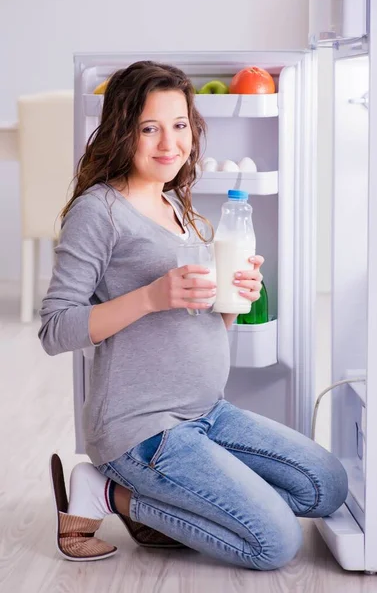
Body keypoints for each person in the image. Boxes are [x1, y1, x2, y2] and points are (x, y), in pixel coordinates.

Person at [39, 60, 348, 569]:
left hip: (207, 412)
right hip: (141, 429)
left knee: (326, 485)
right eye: (149, 128)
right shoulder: (98, 212)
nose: (169, 143)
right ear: (122, 131)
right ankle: (109, 495)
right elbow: (55, 330)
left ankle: (170, 503)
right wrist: (150, 297)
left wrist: (233, 300)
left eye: (179, 125)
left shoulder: (179, 205)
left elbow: (197, 324)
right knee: (275, 543)